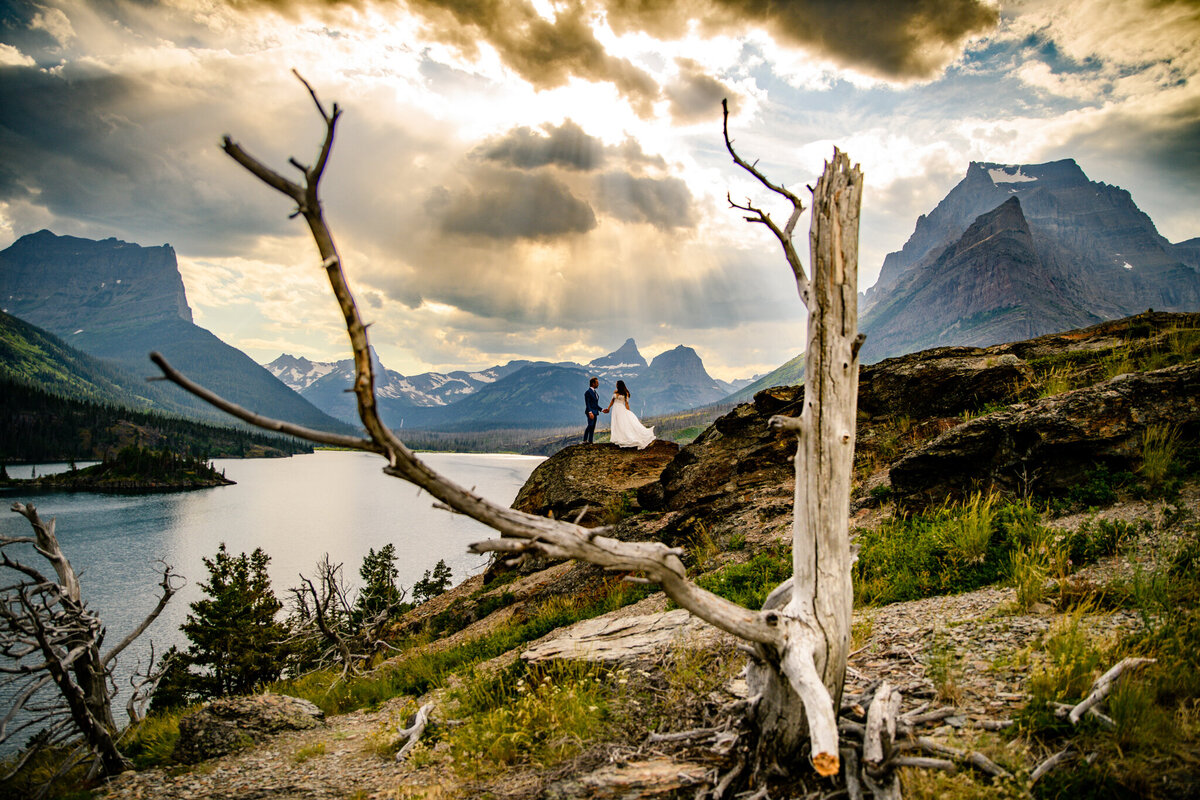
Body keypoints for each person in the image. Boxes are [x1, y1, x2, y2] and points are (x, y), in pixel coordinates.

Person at [604, 380, 655, 449]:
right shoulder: (615, 392)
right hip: (615, 409)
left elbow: (626, 403)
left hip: (621, 408)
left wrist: (628, 411)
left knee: (622, 422)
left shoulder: (626, 393)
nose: (615, 385)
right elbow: (612, 401)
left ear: (619, 385)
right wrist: (609, 408)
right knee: (616, 422)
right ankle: (618, 437)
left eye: (616, 384)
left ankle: (624, 437)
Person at [583, 377, 606, 443]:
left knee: (592, 427)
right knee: (590, 425)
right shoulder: (588, 392)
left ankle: (590, 441)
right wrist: (590, 412)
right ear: (593, 383)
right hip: (590, 412)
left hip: (595, 412)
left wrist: (602, 410)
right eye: (597, 383)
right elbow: (587, 404)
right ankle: (585, 440)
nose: (598, 384)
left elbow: (595, 404)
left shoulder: (595, 392)